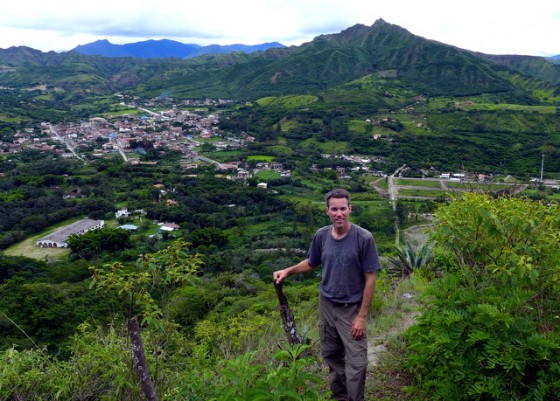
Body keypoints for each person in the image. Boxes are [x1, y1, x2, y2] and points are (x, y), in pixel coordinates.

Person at [273, 188, 381, 401]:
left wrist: (361, 316)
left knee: (357, 361)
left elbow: (371, 277)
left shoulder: (363, 238)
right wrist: (288, 271)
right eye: (334, 209)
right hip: (326, 304)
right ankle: (339, 396)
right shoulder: (322, 235)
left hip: (351, 308)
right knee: (331, 354)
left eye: (343, 208)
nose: (338, 213)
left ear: (350, 209)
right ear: (327, 211)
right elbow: (312, 262)